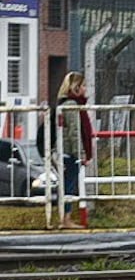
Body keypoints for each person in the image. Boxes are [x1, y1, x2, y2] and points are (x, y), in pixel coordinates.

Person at [53, 71, 93, 227]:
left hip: (68, 152)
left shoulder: (69, 105)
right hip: (70, 153)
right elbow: (74, 132)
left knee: (68, 185)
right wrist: (80, 153)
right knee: (69, 186)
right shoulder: (72, 106)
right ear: (75, 87)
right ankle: (65, 219)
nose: (85, 89)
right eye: (83, 85)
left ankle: (65, 217)